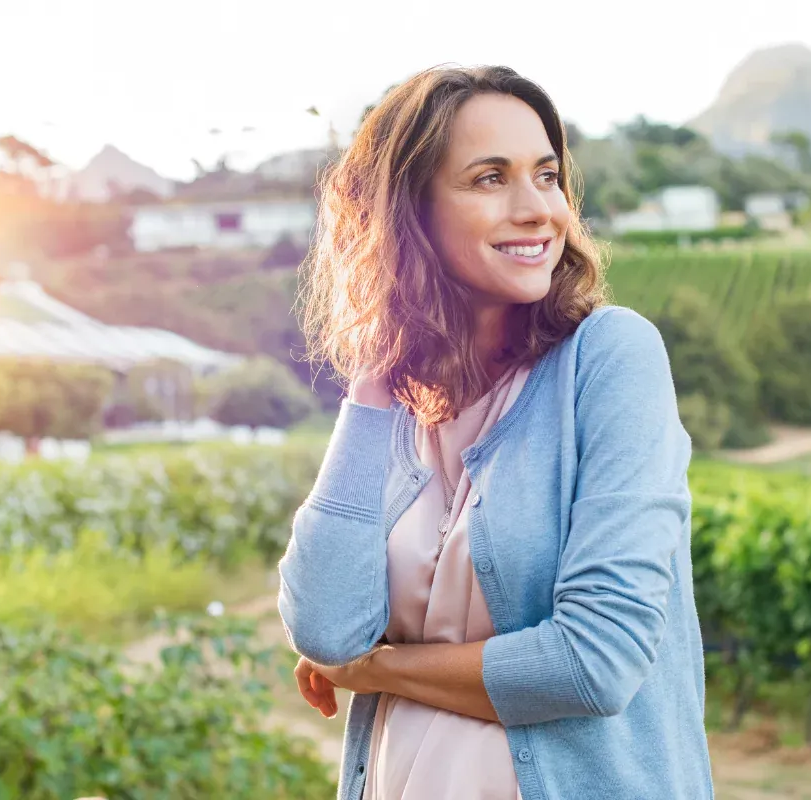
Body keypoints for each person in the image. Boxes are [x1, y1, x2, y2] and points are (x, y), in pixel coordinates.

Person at [277, 64, 714, 800]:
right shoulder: (398, 412)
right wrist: (373, 383)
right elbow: (325, 629)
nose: (537, 208)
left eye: (547, 176)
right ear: (406, 214)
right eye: (489, 178)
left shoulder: (609, 358)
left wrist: (378, 669)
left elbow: (593, 661)